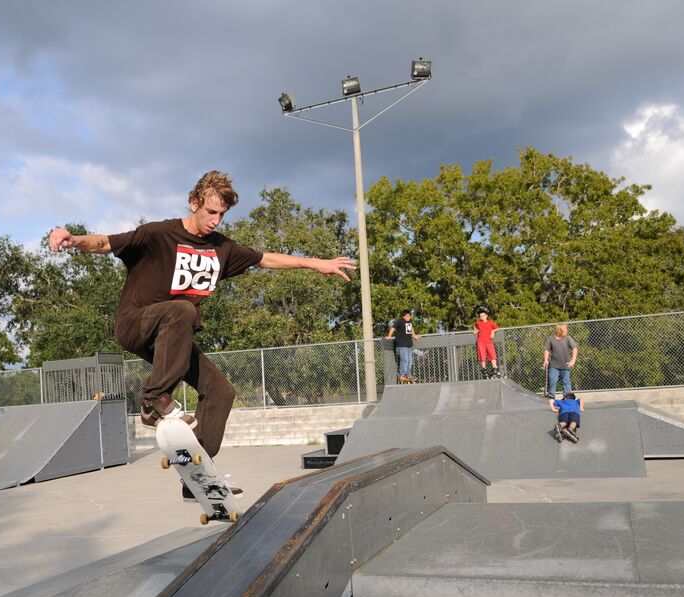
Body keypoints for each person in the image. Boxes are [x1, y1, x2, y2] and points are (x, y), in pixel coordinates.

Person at [48, 170, 355, 498]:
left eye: (222, 214)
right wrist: (73, 238)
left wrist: (315, 263)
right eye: (210, 212)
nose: (215, 221)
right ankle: (153, 400)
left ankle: (197, 475)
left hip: (171, 339)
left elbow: (264, 259)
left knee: (220, 391)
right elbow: (106, 243)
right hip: (136, 323)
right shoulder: (160, 234)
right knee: (183, 309)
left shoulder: (221, 248)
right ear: (194, 203)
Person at [543, 323, 579, 398]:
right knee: (552, 381)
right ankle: (551, 397)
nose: (566, 330)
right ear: (560, 330)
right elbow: (547, 350)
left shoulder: (568, 338)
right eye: (565, 329)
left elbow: (575, 349)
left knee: (566, 382)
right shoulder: (551, 339)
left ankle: (567, 398)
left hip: (565, 365)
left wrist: (573, 361)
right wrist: (546, 360)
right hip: (554, 365)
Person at [385, 310, 419, 383]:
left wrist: (414, 335)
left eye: (409, 316)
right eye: (406, 316)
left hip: (408, 344)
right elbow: (393, 328)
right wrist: (389, 336)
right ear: (403, 316)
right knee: (404, 360)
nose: (408, 317)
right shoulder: (400, 321)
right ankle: (402, 375)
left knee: (409, 361)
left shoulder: (410, 322)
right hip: (401, 345)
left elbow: (411, 329)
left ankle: (408, 375)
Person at [473, 309, 501, 379]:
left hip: (489, 342)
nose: (482, 317)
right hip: (481, 342)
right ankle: (484, 370)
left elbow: (497, 328)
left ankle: (495, 369)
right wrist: (476, 331)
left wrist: (493, 331)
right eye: (480, 316)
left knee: (492, 354)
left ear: (486, 316)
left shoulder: (490, 322)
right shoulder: (478, 323)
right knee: (482, 356)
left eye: (483, 315)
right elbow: (475, 326)